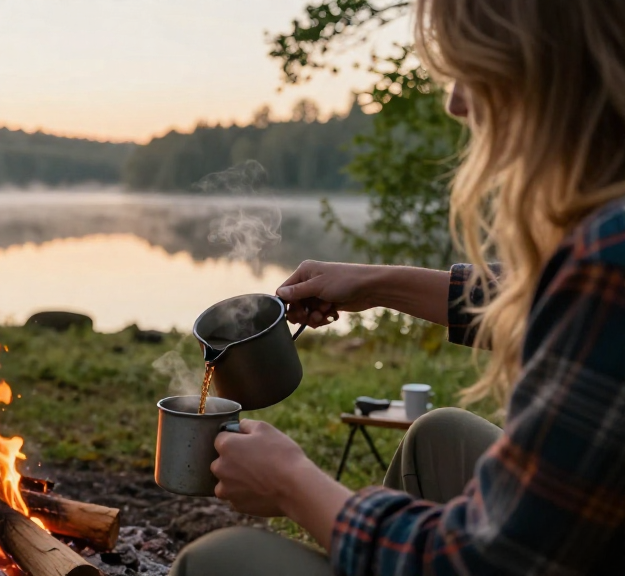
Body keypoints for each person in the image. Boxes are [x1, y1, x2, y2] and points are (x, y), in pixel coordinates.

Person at [169, 1, 625, 575]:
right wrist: (379, 283)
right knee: (438, 436)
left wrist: (292, 484)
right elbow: (555, 307)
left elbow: (482, 560)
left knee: (221, 559)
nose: (456, 103)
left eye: (473, 71)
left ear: (556, 73)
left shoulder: (607, 255)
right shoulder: (607, 239)